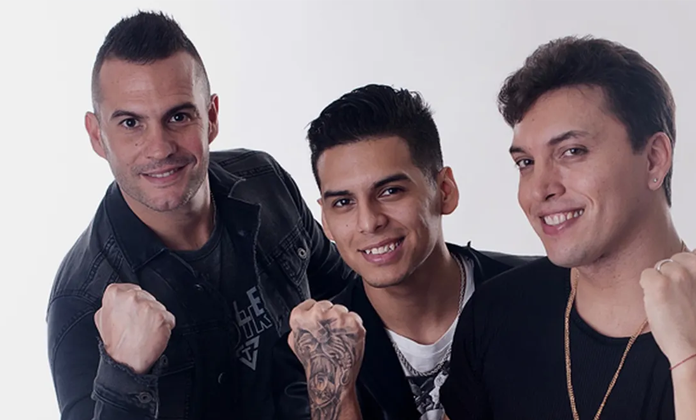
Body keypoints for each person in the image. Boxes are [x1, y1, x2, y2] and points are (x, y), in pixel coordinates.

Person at [46, 11, 355, 420]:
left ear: (210, 117)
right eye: (131, 123)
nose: (159, 148)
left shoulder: (265, 183)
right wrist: (125, 374)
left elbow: (353, 296)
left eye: (178, 116)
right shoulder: (81, 297)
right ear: (97, 135)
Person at [440, 35, 696, 419]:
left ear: (654, 159)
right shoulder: (496, 312)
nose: (539, 189)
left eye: (572, 152)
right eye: (526, 163)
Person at [271, 84, 535, 420]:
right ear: (325, 220)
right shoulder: (308, 354)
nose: (369, 222)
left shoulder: (542, 296)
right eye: (344, 202)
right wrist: (336, 385)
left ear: (445, 191)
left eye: (390, 191)